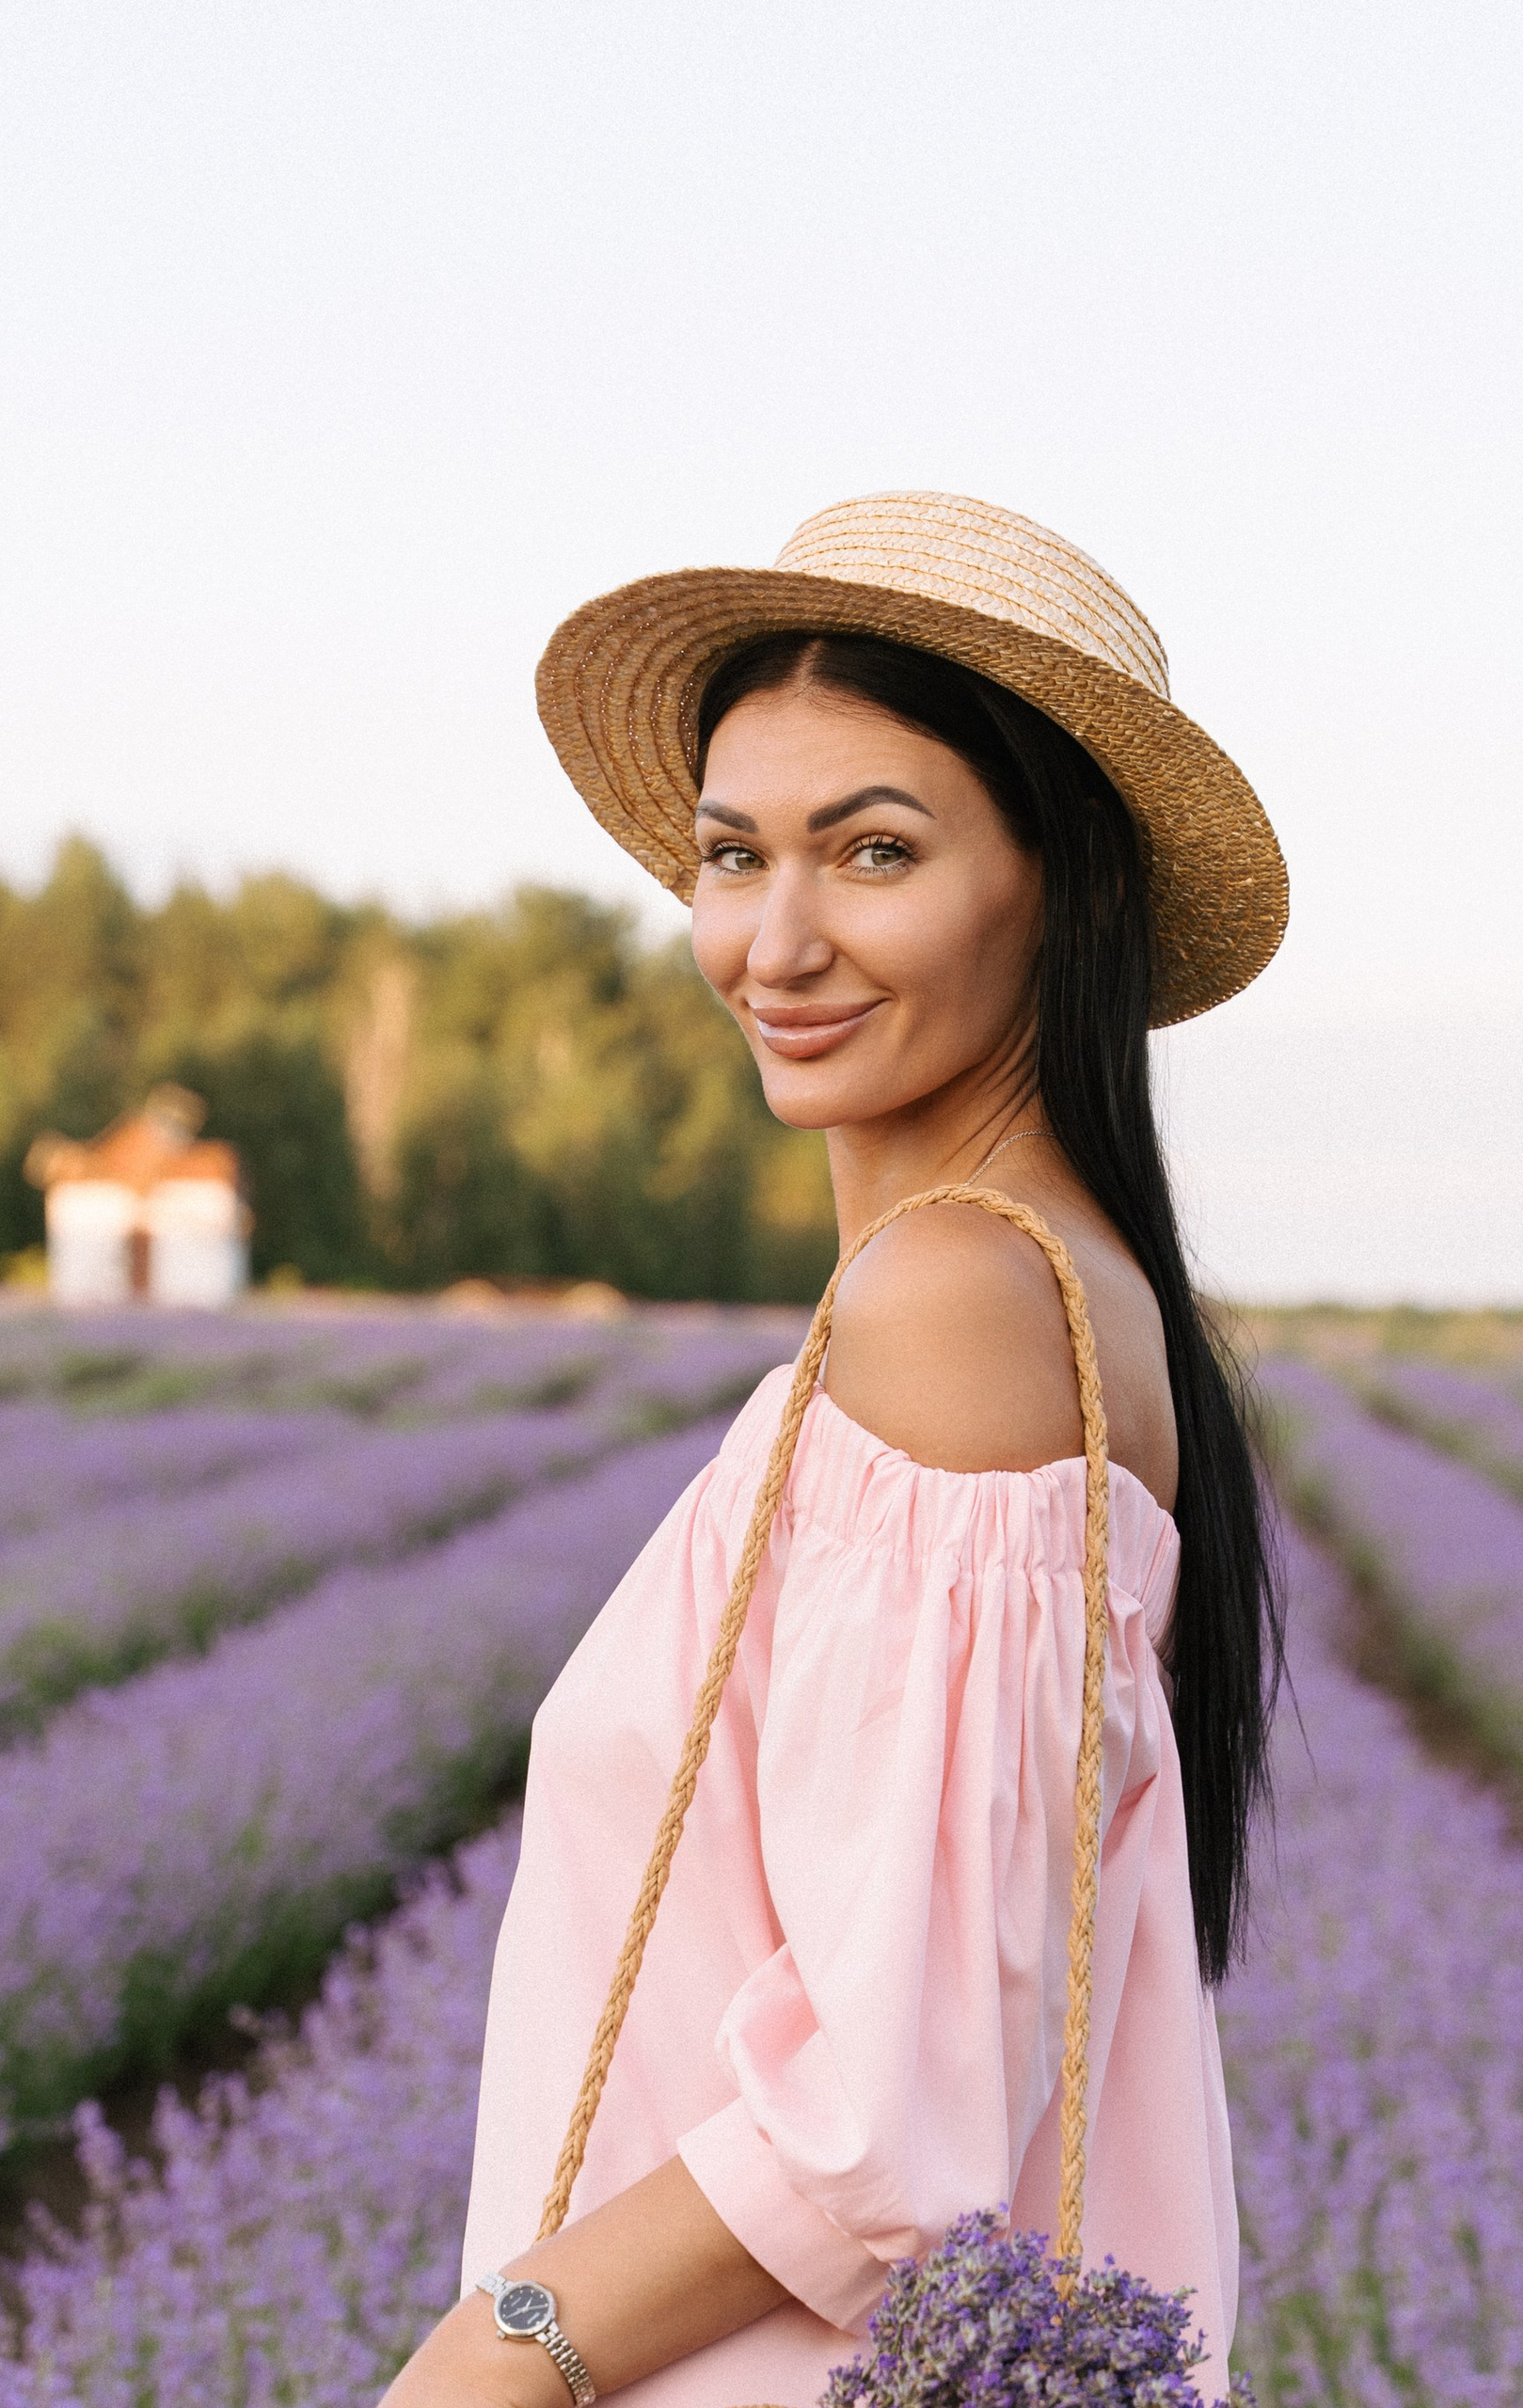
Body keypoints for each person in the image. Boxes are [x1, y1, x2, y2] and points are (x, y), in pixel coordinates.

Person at [384, 492, 1289, 2408]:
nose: (773, 942)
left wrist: (497, 2351)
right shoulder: (1038, 1287)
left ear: (1059, 886)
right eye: (733, 855)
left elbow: (885, 2109)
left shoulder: (957, 1303)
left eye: (875, 850)